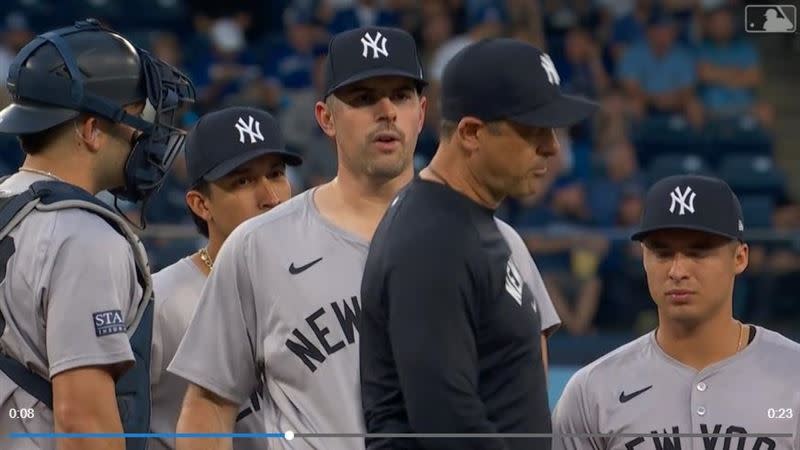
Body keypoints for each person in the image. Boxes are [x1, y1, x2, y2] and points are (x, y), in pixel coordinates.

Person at [166, 26, 427, 450]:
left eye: (400, 95)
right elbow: (208, 408)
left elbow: (517, 406)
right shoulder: (258, 245)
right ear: (325, 117)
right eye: (363, 98)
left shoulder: (487, 241)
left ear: (422, 111)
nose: (386, 110)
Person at [359, 37, 597, 450]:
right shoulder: (432, 240)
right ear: (471, 132)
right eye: (534, 130)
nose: (551, 147)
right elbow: (449, 424)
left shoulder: (467, 221)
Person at [0, 18, 194, 450]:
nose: (146, 133)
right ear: (91, 130)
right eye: (137, 116)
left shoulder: (10, 204)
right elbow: (84, 425)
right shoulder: (84, 236)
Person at [552, 174, 800, 450]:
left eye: (698, 253)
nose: (677, 271)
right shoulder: (592, 392)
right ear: (644, 258)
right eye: (662, 253)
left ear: (740, 258)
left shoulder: (794, 374)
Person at [149, 106, 302, 450]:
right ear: (201, 204)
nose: (271, 198)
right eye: (243, 180)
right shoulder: (163, 302)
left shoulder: (314, 283)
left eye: (276, 174)